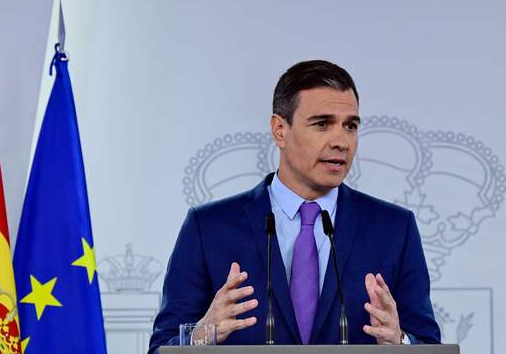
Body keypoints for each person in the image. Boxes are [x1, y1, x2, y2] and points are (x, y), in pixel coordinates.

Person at [148, 60, 441, 352]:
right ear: (279, 130)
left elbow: (429, 345)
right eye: (322, 124)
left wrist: (400, 342)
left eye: (350, 126)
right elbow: (161, 348)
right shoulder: (209, 227)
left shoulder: (393, 229)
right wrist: (201, 336)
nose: (341, 141)